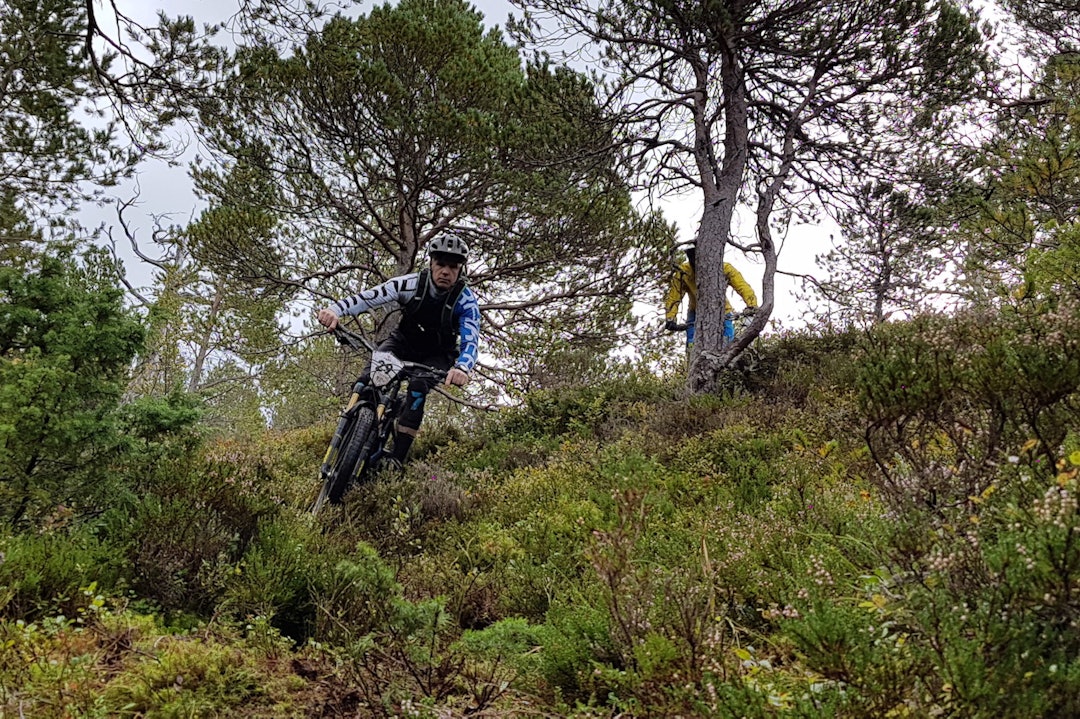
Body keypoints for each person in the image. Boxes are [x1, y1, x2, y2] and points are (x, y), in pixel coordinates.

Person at [316, 235, 480, 469]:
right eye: (440, 264)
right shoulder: (411, 284)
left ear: (460, 270)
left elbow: (471, 340)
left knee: (417, 389)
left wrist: (462, 367)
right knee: (368, 379)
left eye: (453, 266)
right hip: (403, 343)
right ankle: (349, 430)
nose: (446, 271)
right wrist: (335, 310)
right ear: (431, 263)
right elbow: (371, 297)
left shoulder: (466, 302)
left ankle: (397, 458)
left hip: (437, 355)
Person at [663, 241, 757, 347]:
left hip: (723, 311)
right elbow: (674, 296)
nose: (694, 259)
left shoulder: (723, 268)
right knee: (692, 345)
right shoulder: (684, 271)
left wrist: (751, 305)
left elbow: (742, 287)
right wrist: (670, 318)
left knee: (726, 345)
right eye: (691, 255)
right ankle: (693, 360)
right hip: (695, 313)